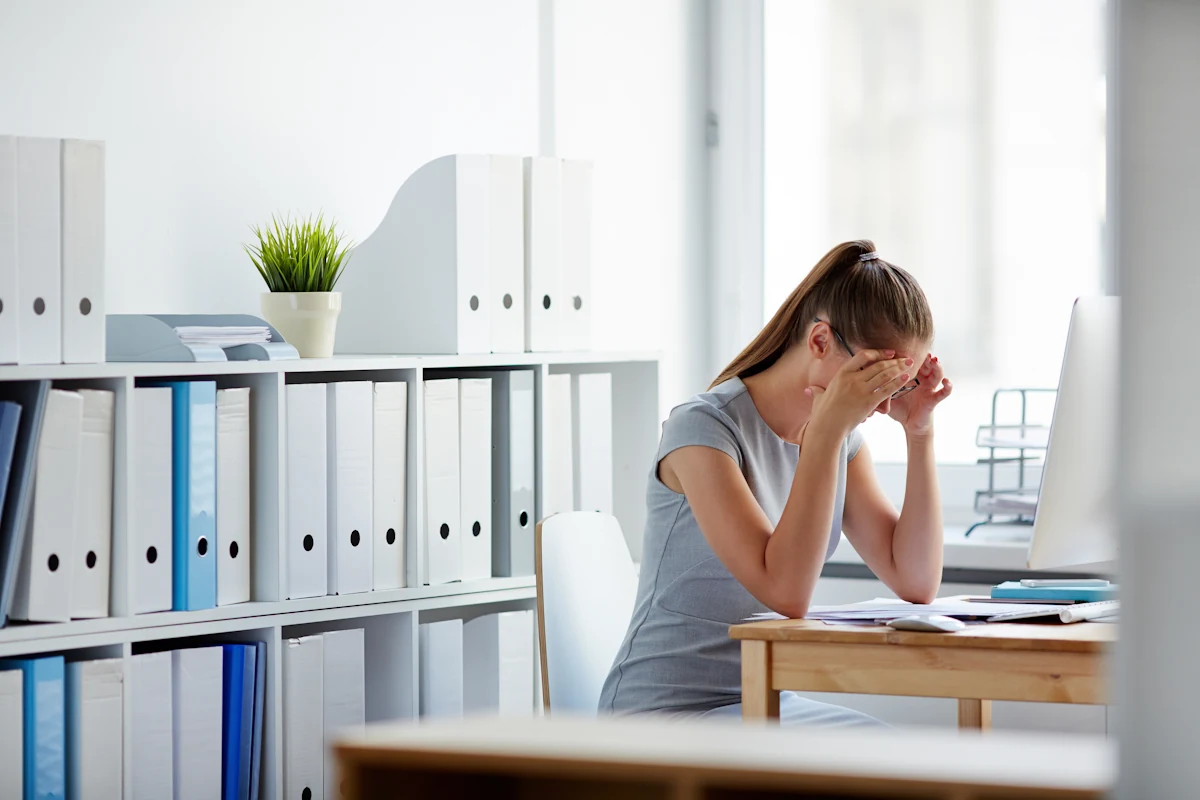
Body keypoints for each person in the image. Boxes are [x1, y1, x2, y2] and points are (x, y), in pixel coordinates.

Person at [598, 239, 952, 725]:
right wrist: (826, 433)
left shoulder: (839, 440)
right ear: (821, 341)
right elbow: (785, 591)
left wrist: (920, 432)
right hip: (662, 710)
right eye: (876, 377)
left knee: (904, 760)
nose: (882, 402)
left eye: (900, 384)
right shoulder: (703, 430)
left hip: (763, 702)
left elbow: (915, 581)